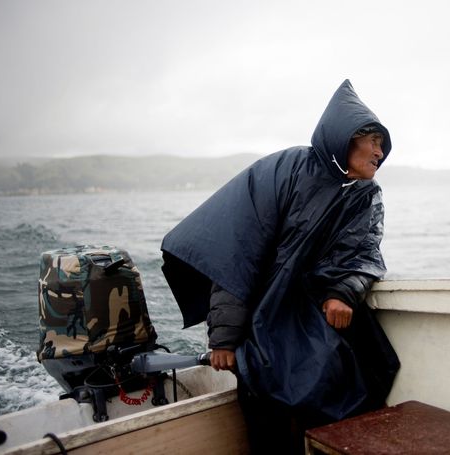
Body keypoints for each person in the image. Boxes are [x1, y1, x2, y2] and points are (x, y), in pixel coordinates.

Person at [161, 79, 400, 453]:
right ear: (345, 137)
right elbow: (236, 250)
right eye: (372, 140)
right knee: (265, 403)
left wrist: (344, 291)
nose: (379, 151)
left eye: (383, 145)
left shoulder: (365, 196)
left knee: (362, 374)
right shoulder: (287, 169)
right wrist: (223, 338)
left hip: (311, 314)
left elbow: (362, 251)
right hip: (259, 317)